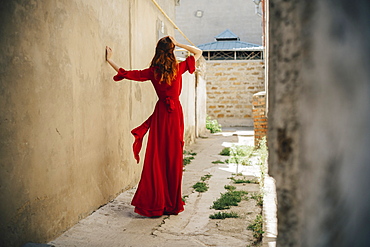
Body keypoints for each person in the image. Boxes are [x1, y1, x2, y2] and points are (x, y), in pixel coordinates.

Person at [106, 36, 202, 217]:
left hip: (160, 115)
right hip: (175, 116)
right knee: (173, 158)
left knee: (157, 158)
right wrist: (178, 44)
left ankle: (157, 202)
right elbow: (198, 52)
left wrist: (110, 59)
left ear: (157, 51)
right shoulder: (178, 68)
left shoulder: (153, 72)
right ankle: (171, 204)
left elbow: (127, 73)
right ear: (172, 51)